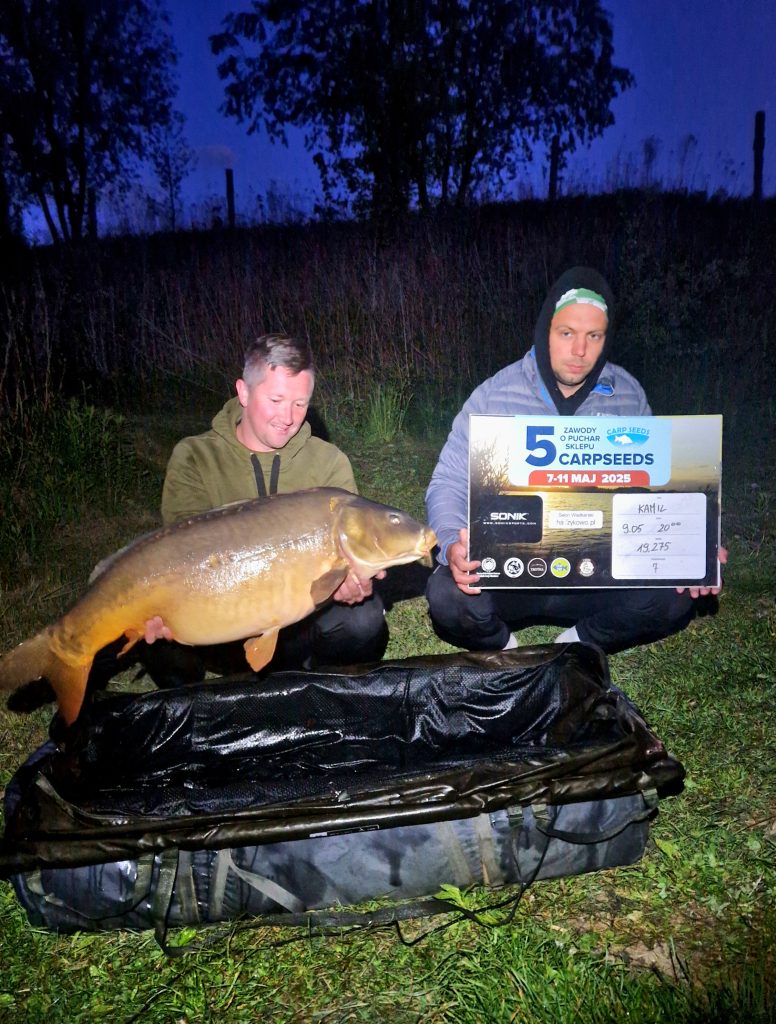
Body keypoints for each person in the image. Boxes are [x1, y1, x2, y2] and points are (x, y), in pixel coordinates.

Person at [425, 266, 725, 655]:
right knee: (447, 597)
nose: (580, 351)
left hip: (595, 577)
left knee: (674, 598)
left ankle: (576, 646)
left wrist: (694, 545)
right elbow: (446, 483)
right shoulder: (493, 394)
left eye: (593, 336)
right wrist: (452, 542)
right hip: (512, 573)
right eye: (567, 333)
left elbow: (657, 492)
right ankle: (511, 651)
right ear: (545, 331)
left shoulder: (628, 394)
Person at [140, 332, 388, 685]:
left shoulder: (328, 462)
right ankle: (195, 701)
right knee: (153, 627)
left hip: (299, 623)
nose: (288, 417)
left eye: (300, 404)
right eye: (276, 399)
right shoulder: (195, 457)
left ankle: (317, 688)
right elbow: (181, 552)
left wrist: (347, 583)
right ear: (243, 392)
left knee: (363, 619)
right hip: (219, 622)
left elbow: (345, 554)